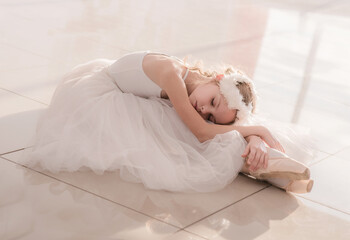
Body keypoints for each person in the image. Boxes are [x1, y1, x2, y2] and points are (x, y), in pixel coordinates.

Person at [20, 50, 317, 193]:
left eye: (213, 113)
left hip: (145, 101)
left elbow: (213, 122)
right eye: (212, 102)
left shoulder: (201, 93)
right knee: (194, 136)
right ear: (216, 78)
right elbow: (201, 130)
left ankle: (266, 161)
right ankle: (258, 163)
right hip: (103, 95)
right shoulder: (172, 75)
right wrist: (258, 130)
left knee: (211, 132)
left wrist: (249, 132)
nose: (204, 109)